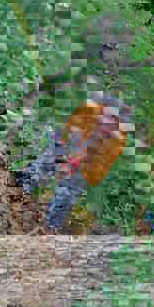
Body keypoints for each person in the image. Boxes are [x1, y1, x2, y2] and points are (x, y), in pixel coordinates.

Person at [17, 91, 132, 230]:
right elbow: (66, 138)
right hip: (70, 138)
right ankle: (24, 185)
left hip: (91, 162)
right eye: (106, 118)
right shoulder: (88, 112)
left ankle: (51, 226)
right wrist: (67, 158)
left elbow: (94, 170)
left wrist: (76, 168)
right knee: (49, 160)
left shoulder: (114, 143)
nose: (106, 123)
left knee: (69, 191)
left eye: (112, 123)